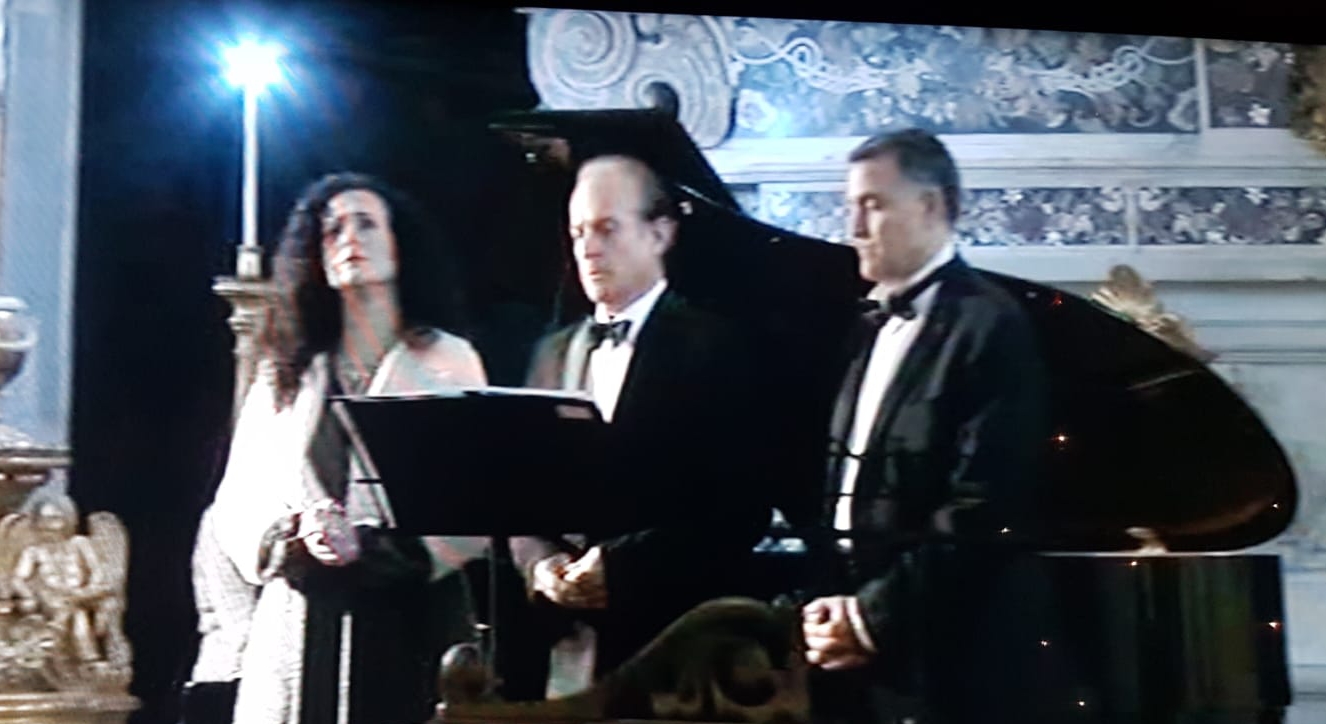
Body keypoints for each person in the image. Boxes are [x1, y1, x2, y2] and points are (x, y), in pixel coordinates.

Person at [203, 172, 489, 724]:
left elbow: (471, 495)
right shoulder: (285, 373)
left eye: (366, 223)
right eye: (332, 230)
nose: (349, 238)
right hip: (302, 614)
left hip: (411, 612)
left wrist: (370, 544)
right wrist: (295, 532)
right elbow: (239, 497)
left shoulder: (448, 361)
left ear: (400, 245)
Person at [795, 129, 1050, 724]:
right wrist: (831, 604)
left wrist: (872, 617)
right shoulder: (864, 328)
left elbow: (983, 507)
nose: (853, 228)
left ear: (930, 205)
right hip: (851, 647)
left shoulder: (990, 326)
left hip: (941, 654)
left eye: (872, 205)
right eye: (850, 207)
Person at [508, 154, 772, 699]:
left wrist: (621, 568)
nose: (588, 248)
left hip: (677, 648)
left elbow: (740, 510)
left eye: (607, 228)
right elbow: (518, 497)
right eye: (578, 232)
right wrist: (541, 565)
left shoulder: (715, 346)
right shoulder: (550, 353)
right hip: (563, 646)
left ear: (660, 233)